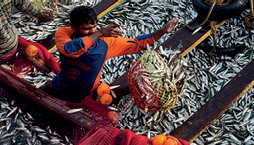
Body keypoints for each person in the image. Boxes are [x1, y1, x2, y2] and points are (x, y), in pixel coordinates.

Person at [42, 6, 179, 103]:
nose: (92, 31)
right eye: (86, 29)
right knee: (38, 93)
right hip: (61, 85)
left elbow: (137, 43)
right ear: (73, 28)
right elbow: (70, 50)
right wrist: (100, 33)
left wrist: (162, 31)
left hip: (85, 94)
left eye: (94, 27)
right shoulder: (64, 33)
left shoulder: (106, 43)